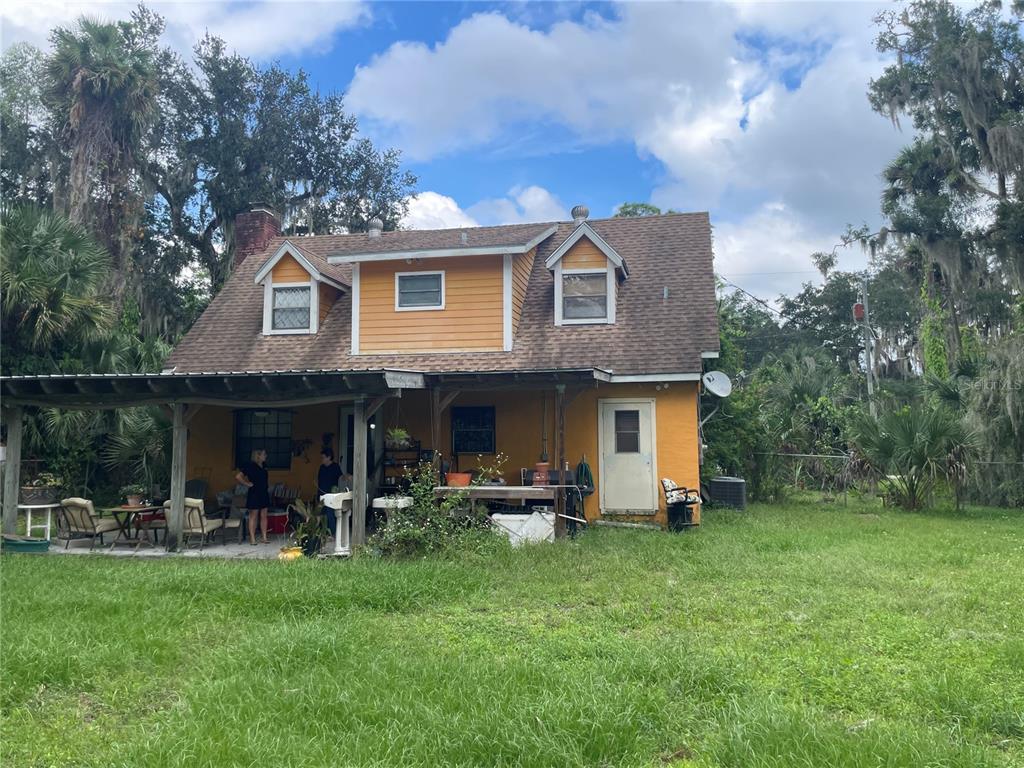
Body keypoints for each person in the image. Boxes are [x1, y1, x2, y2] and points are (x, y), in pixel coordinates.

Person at [236, 449, 270, 545]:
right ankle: (252, 538)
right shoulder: (250, 466)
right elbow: (238, 476)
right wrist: (247, 484)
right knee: (253, 516)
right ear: (258, 456)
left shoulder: (264, 466)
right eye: (264, 454)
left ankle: (264, 537)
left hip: (264, 492)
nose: (265, 456)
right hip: (254, 492)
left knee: (264, 515)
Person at [315, 447, 348, 537]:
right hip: (321, 494)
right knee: (321, 515)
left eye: (323, 457)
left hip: (332, 495)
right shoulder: (321, 467)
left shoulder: (335, 467)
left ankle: (332, 534)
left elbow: (341, 477)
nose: (322, 459)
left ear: (329, 457)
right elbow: (319, 480)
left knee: (330, 515)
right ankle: (322, 534)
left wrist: (347, 477)